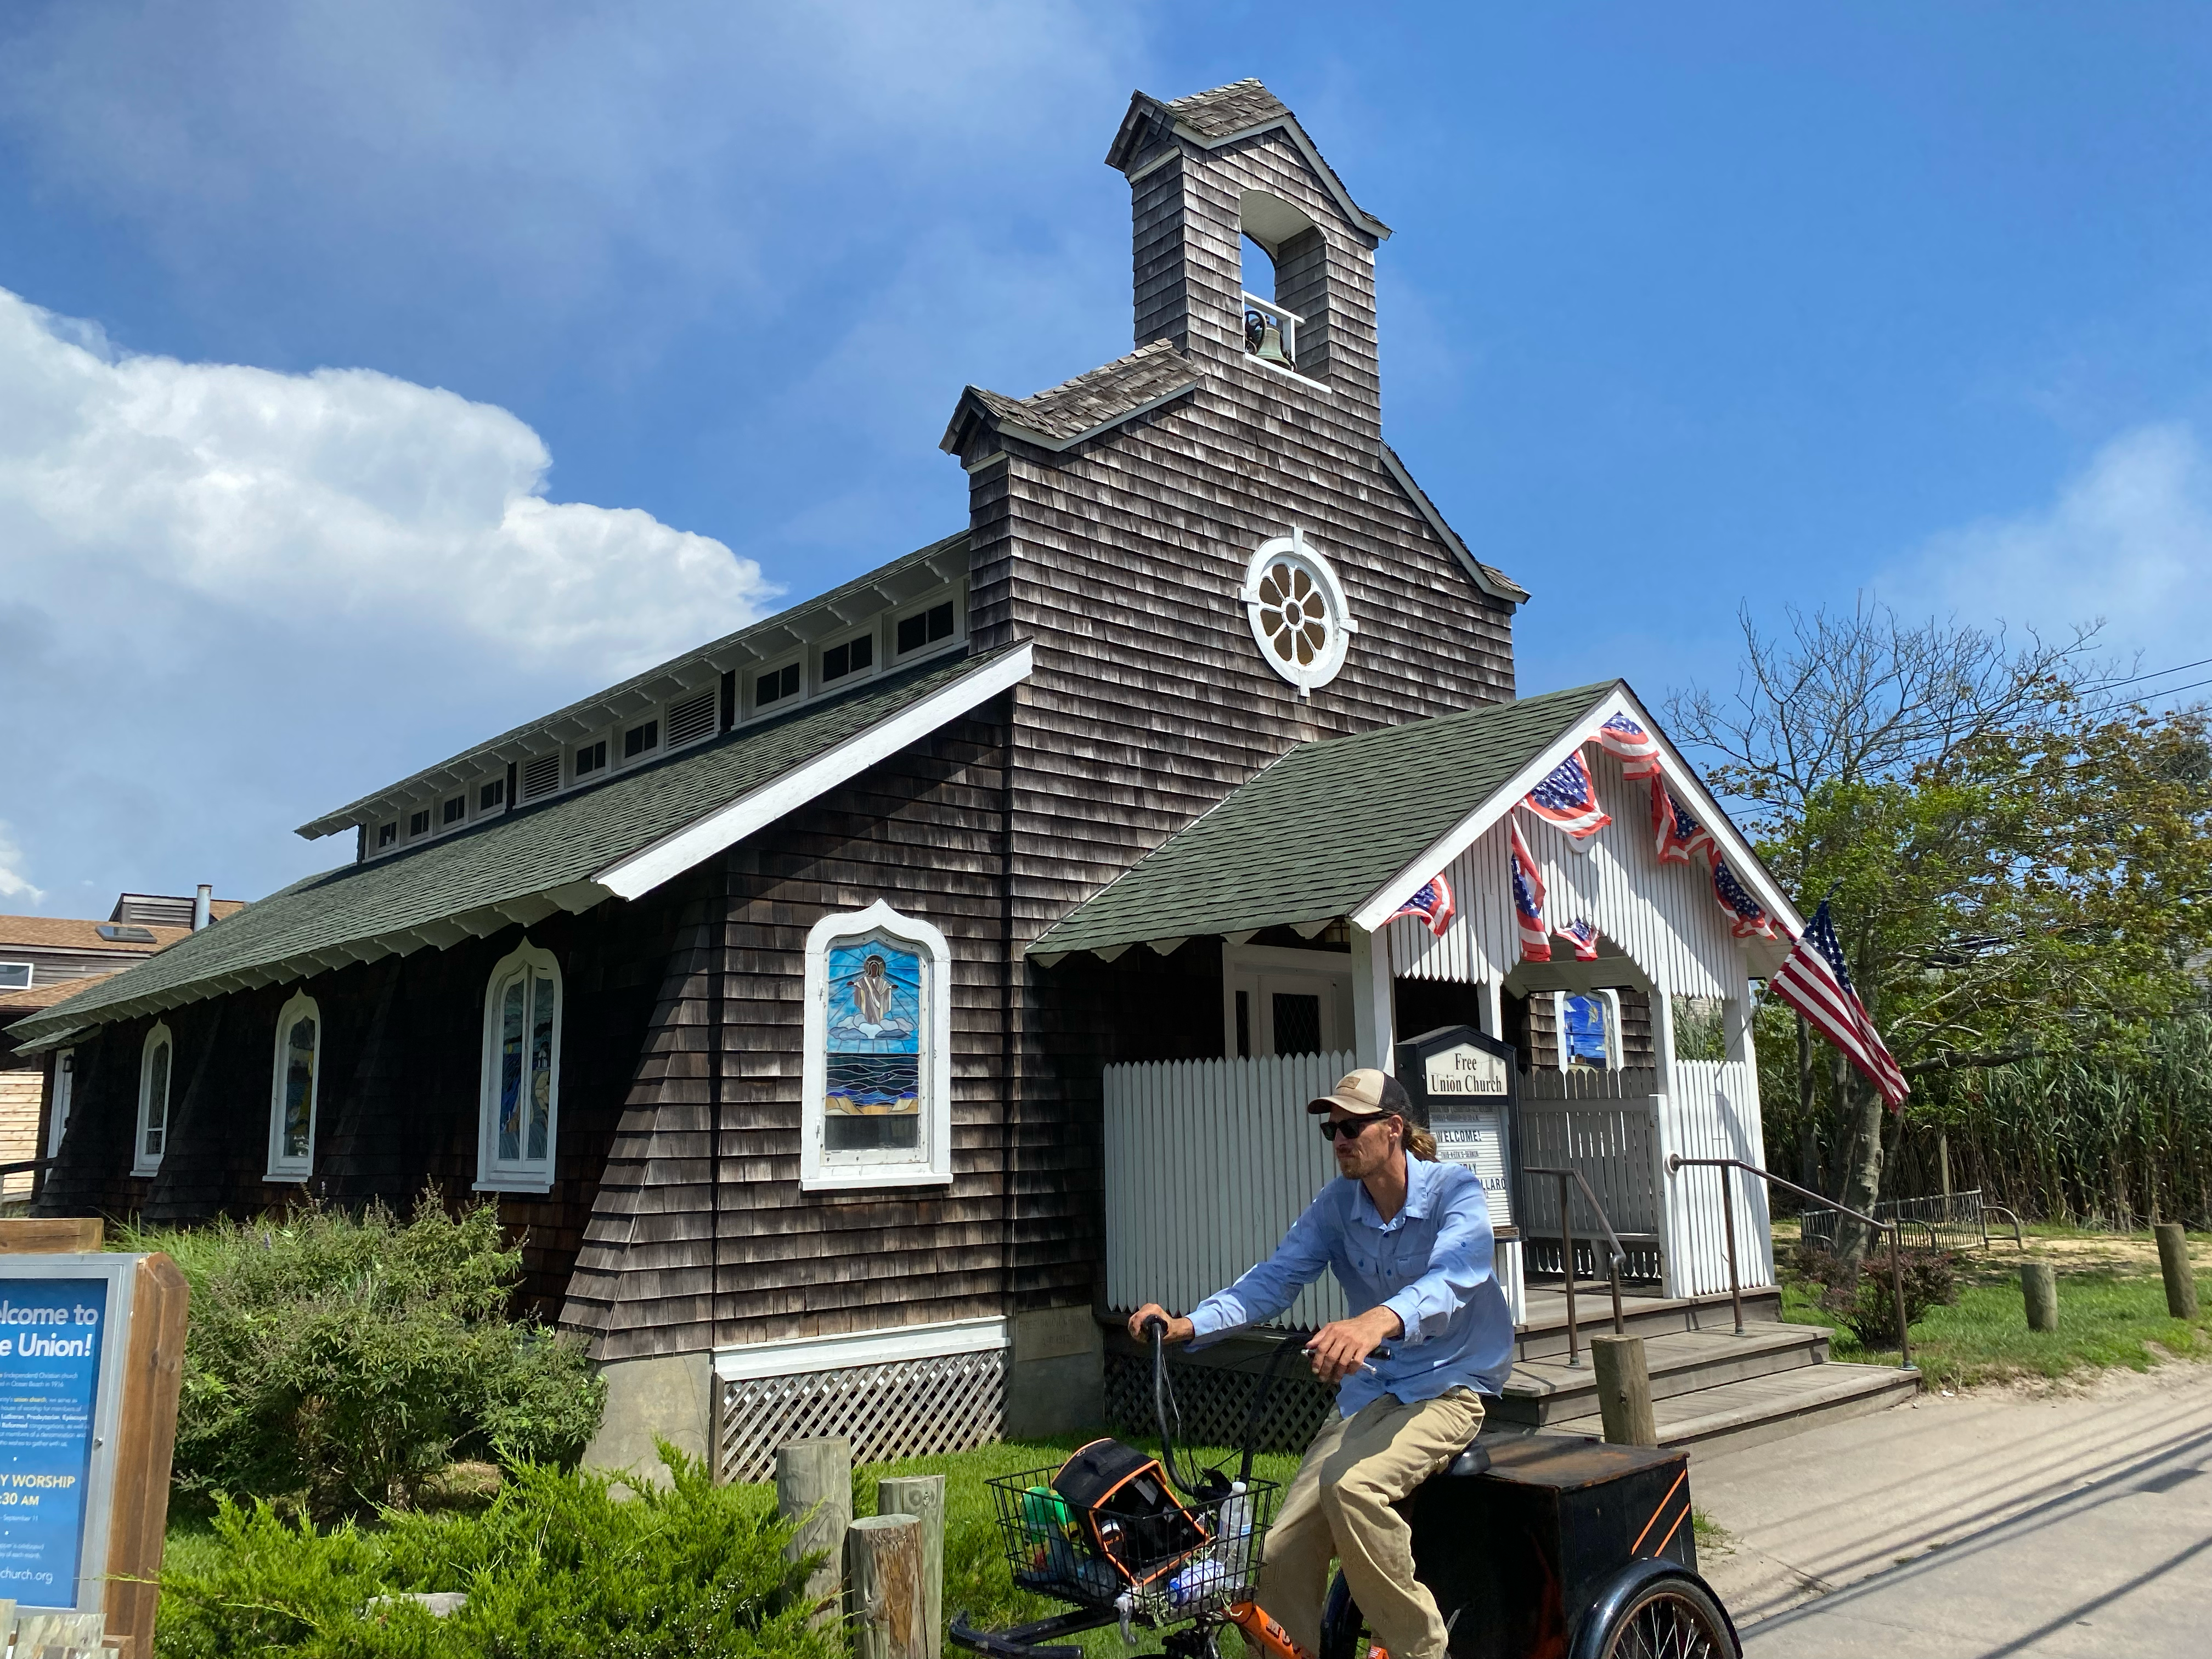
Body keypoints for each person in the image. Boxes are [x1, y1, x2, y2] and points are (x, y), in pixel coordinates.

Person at [1127, 1068, 1513, 1659]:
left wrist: (1374, 1320)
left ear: (1393, 1128)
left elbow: (1454, 1276)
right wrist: (1186, 1325)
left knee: (1351, 1487)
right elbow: (1273, 1281)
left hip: (1450, 1385)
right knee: (1280, 1552)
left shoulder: (1453, 1191)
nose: (1338, 1140)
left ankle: (1420, 1650)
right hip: (1371, 1393)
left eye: (1351, 1126)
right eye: (1331, 1129)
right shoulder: (1337, 1206)